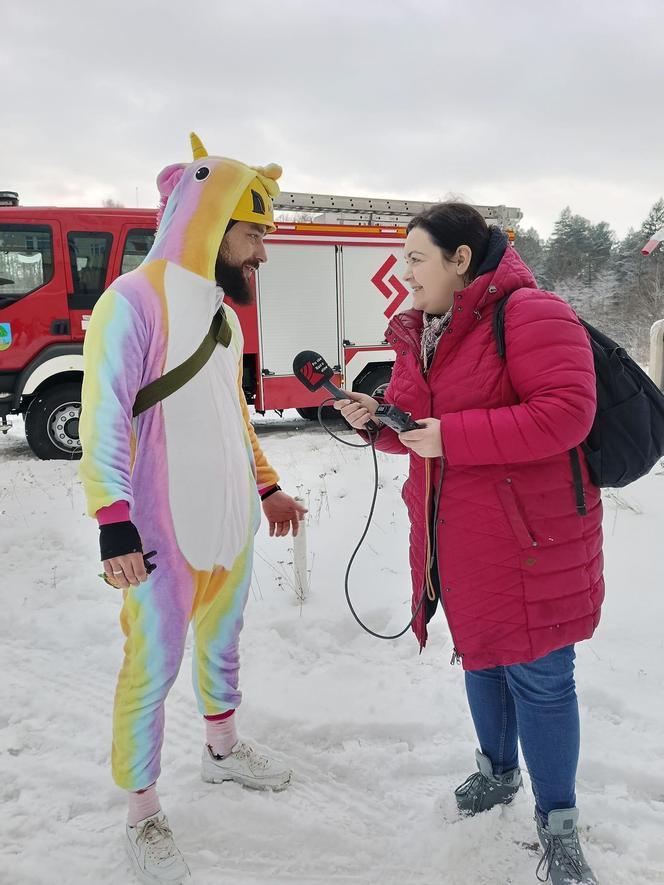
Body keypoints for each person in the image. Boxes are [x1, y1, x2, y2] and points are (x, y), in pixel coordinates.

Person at [335, 202, 602, 885]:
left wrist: (452, 436)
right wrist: (377, 424)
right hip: (453, 533)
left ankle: (561, 824)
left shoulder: (533, 314)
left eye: (416, 258)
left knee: (541, 677)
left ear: (459, 261)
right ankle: (497, 771)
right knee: (480, 657)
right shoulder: (418, 330)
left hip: (531, 537)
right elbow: (414, 425)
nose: (405, 272)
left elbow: (567, 413)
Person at [79, 133, 307, 884]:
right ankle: (142, 810)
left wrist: (267, 486)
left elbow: (234, 414)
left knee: (221, 643)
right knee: (154, 664)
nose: (261, 255)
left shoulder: (222, 317)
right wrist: (112, 515)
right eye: (253, 235)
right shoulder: (132, 301)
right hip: (156, 530)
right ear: (209, 222)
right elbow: (104, 411)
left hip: (229, 521)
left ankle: (222, 747)